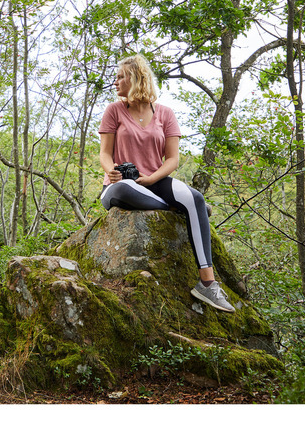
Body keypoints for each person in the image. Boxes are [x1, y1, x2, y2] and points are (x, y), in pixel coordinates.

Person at [98, 54, 235, 313]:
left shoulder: (165, 113)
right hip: (120, 186)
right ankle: (173, 208)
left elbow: (173, 159)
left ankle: (207, 283)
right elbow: (105, 152)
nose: (115, 82)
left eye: (120, 77)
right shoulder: (114, 110)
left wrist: (151, 178)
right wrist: (111, 170)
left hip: (154, 180)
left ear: (137, 78)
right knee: (126, 188)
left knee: (195, 199)